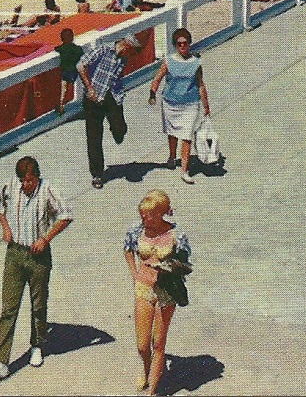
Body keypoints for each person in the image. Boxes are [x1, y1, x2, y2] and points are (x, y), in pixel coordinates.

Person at [0, 156, 73, 382]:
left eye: (30, 180)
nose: (26, 185)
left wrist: (46, 238)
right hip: (14, 254)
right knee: (9, 308)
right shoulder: (11, 186)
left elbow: (66, 215)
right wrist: (5, 228)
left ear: (37, 177)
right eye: (23, 181)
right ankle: (1, 361)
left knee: (38, 303)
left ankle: (37, 345)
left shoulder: (48, 190)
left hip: (38, 255)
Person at [125, 190, 192, 394]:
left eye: (148, 214)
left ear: (160, 213)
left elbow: (186, 266)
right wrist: (135, 273)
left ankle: (153, 390)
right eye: (142, 214)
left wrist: (164, 264)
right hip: (144, 288)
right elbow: (128, 249)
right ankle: (146, 369)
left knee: (158, 343)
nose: (143, 218)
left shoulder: (176, 235)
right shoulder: (137, 231)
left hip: (166, 292)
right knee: (143, 345)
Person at [77, 34, 142, 187]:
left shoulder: (123, 58)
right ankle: (97, 174)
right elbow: (81, 65)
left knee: (120, 129)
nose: (132, 56)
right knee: (94, 138)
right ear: (126, 46)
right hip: (93, 99)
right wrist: (90, 88)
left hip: (111, 97)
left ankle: (118, 132)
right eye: (132, 53)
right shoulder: (104, 49)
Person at [148, 29, 211, 184]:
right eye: (179, 44)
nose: (182, 46)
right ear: (175, 45)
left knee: (187, 136)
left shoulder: (196, 62)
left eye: (185, 43)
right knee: (172, 133)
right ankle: (171, 156)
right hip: (170, 103)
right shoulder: (168, 61)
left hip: (190, 104)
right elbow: (157, 79)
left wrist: (206, 106)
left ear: (189, 44)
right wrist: (152, 93)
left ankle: (184, 170)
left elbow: (200, 84)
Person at [56, 28, 83, 113]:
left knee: (64, 87)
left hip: (65, 70)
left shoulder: (61, 48)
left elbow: (57, 49)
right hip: (74, 71)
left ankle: (61, 104)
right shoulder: (77, 49)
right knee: (67, 88)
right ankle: (62, 103)